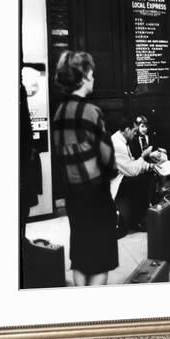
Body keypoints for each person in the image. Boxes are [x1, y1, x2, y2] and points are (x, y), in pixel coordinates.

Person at [52, 51, 118, 286]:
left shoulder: (58, 113)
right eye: (90, 73)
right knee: (101, 259)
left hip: (73, 194)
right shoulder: (91, 112)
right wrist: (111, 173)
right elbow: (108, 158)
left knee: (80, 256)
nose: (93, 78)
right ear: (81, 77)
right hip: (96, 195)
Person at [111, 116, 156, 234]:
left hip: (121, 174)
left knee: (147, 175)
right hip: (115, 181)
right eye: (134, 131)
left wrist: (150, 166)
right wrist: (143, 157)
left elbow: (131, 162)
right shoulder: (118, 144)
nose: (135, 134)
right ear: (127, 130)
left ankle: (145, 213)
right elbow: (132, 171)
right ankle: (137, 220)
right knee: (140, 181)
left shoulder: (121, 139)